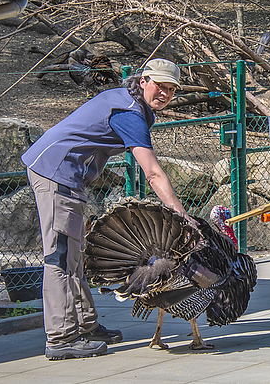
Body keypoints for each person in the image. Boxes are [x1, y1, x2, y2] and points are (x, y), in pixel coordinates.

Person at [22, 58, 196, 360]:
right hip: (55, 172)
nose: (165, 94)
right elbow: (152, 172)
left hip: (68, 176)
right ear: (143, 81)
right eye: (159, 85)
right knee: (60, 257)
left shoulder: (133, 105)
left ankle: (86, 326)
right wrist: (180, 215)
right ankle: (61, 338)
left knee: (73, 255)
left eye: (171, 89)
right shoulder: (129, 113)